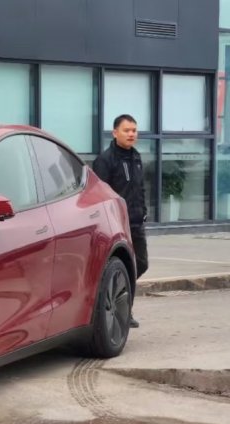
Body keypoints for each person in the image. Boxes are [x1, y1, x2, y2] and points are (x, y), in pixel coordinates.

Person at [93, 114, 147, 329]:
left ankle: (120, 303)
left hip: (135, 222)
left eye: (134, 130)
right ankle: (123, 312)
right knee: (123, 266)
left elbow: (140, 188)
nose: (131, 134)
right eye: (127, 130)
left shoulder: (136, 157)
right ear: (115, 133)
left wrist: (143, 212)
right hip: (115, 224)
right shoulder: (105, 160)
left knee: (140, 264)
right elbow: (98, 193)